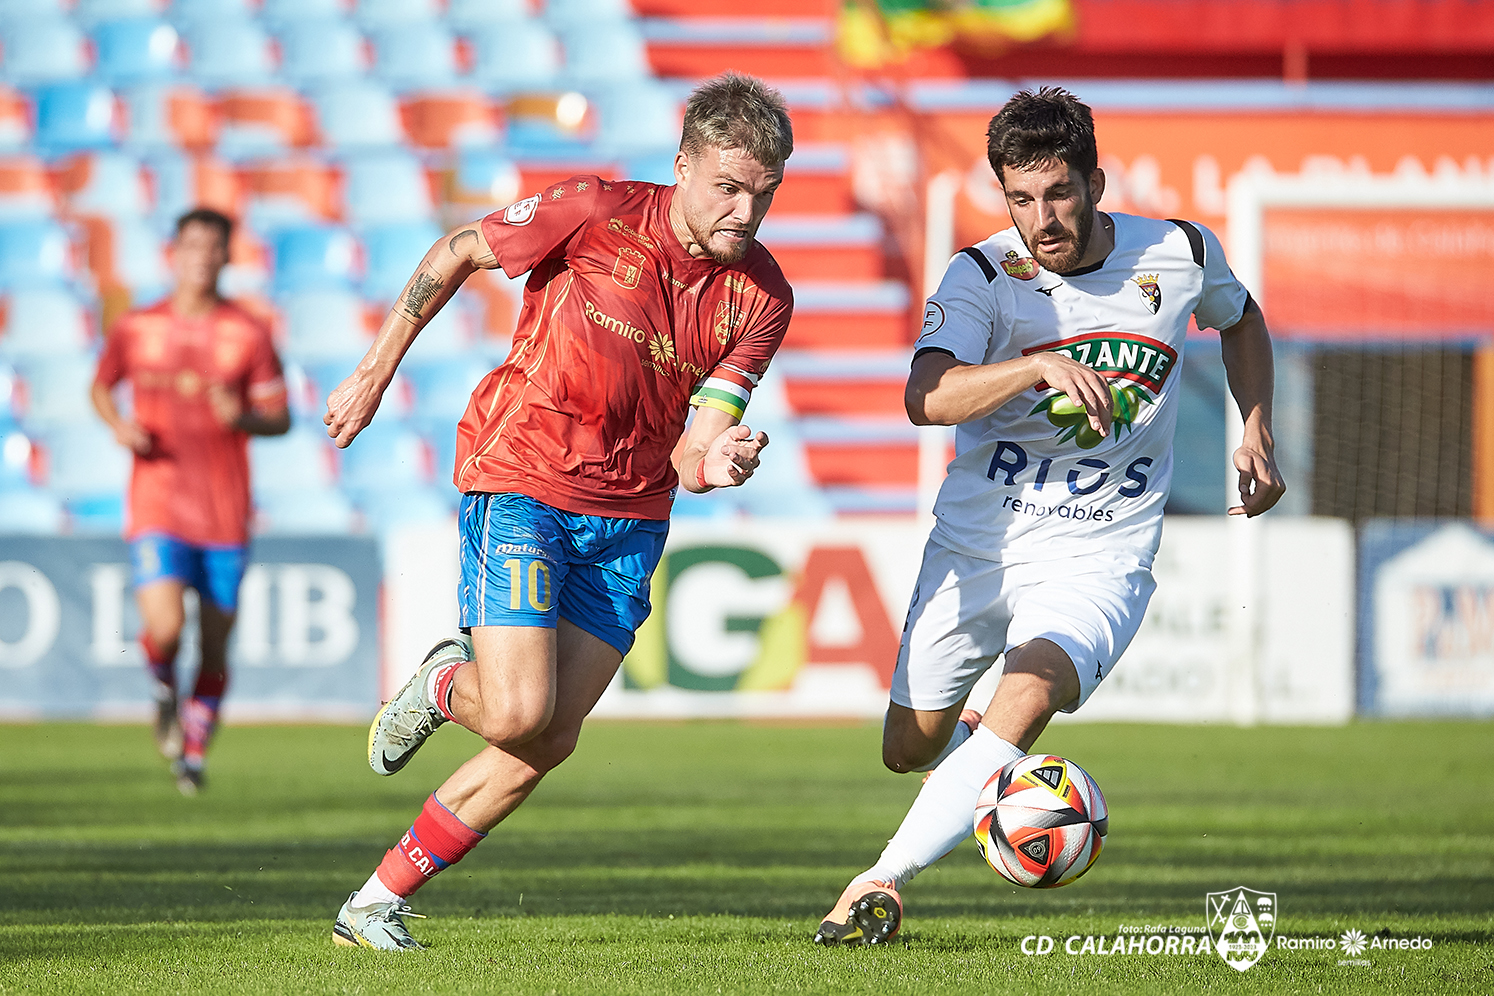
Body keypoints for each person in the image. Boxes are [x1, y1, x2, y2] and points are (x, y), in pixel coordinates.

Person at [321, 72, 796, 952]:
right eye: (729, 187)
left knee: (549, 737)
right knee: (512, 710)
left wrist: (718, 458)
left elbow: (695, 451)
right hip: (527, 476)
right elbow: (460, 248)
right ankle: (439, 684)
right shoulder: (595, 210)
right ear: (684, 166)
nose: (745, 211)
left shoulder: (761, 297)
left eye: (763, 194)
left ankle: (373, 905)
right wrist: (377, 368)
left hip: (631, 519)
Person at [812, 87, 1286, 946]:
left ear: (1095, 182)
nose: (1043, 219)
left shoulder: (1177, 253)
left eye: (1059, 193)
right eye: (1021, 198)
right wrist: (1035, 367)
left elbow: (1242, 320)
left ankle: (877, 881)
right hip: (980, 541)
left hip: (1102, 551)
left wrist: (1255, 426)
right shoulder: (985, 275)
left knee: (1026, 692)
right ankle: (984, 759)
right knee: (908, 751)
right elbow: (926, 397)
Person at [91, 207, 290, 796]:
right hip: (157, 501)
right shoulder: (136, 326)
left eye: (214, 247)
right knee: (167, 625)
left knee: (215, 640)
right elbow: (101, 385)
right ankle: (161, 687)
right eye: (192, 245)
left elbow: (282, 419)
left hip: (224, 512)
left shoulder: (247, 334)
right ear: (172, 253)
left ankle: (193, 750)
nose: (202, 256)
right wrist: (118, 426)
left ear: (227, 257)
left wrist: (246, 417)